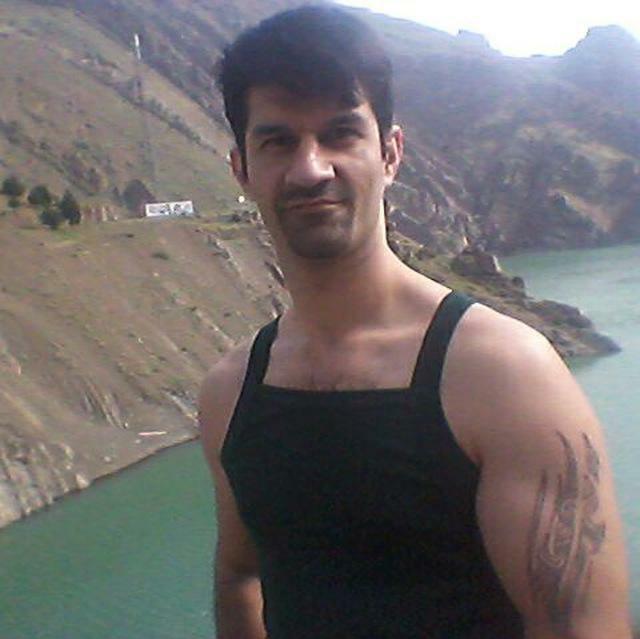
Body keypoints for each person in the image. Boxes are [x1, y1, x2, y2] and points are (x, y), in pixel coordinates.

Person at [198, 6, 631, 638]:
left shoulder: (503, 374)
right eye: (278, 141)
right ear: (242, 168)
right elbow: (240, 575)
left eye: (341, 134)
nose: (312, 168)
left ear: (390, 154)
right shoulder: (231, 390)